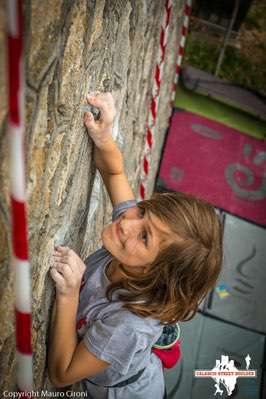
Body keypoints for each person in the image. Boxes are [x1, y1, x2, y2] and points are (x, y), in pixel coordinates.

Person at [48, 92, 223, 398]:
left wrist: (69, 293)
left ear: (156, 272)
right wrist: (104, 136)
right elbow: (113, 171)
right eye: (143, 212)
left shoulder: (128, 325)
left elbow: (62, 375)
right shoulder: (131, 236)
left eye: (145, 236)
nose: (127, 224)